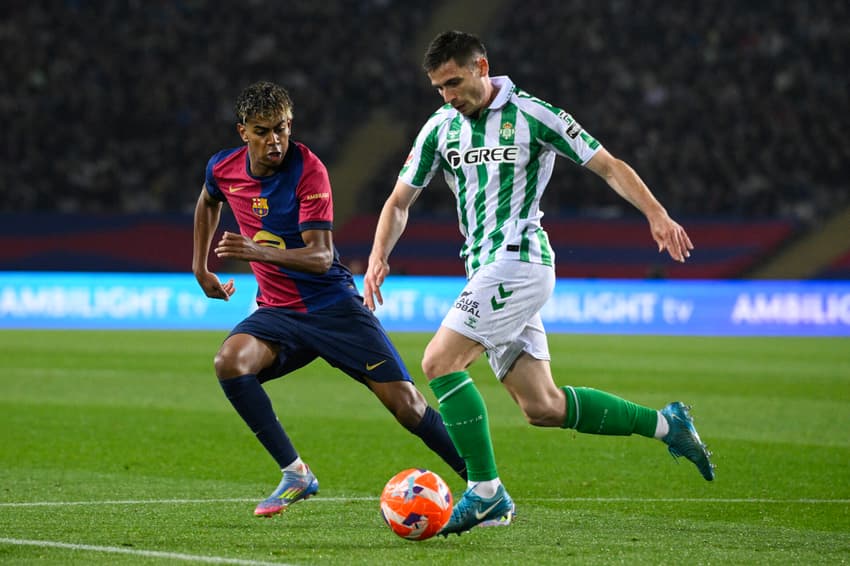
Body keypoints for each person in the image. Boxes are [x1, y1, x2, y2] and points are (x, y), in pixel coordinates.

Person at [363, 31, 715, 536]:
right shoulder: (440, 128)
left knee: (439, 361)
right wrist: (378, 256)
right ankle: (668, 424)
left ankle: (486, 493)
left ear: (482, 66)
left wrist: (655, 214)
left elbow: (607, 165)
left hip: (520, 259)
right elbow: (399, 201)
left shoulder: (532, 114)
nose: (448, 96)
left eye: (455, 82)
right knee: (542, 406)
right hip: (483, 267)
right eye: (439, 87)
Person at [192, 80, 467, 518]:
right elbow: (208, 201)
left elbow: (320, 257)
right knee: (229, 361)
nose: (275, 139)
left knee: (408, 406)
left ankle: (484, 485)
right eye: (262, 131)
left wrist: (255, 251)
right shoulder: (223, 168)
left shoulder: (308, 170)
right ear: (242, 131)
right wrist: (200, 267)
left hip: (333, 308)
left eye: (281, 128)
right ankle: (296, 472)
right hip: (279, 313)